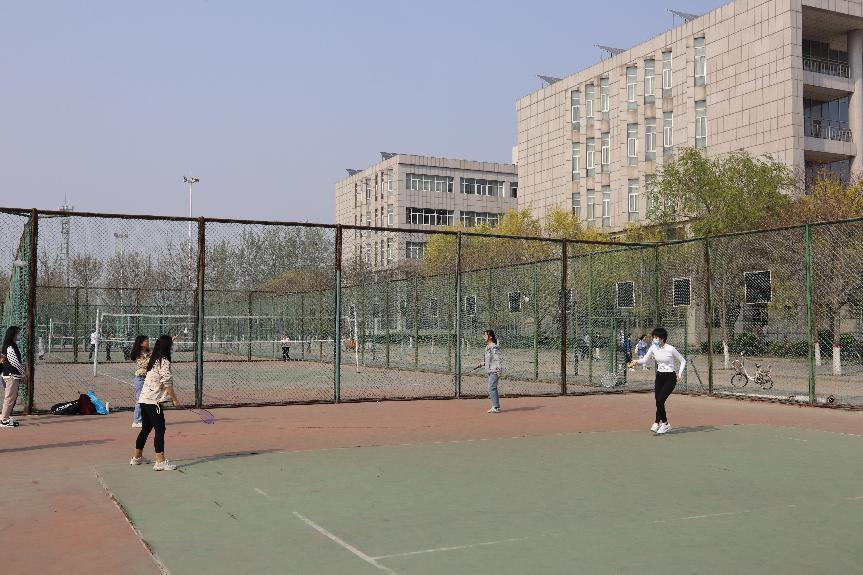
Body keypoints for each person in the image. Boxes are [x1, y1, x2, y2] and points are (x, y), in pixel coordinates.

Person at [131, 335, 181, 470]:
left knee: (146, 429)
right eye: (170, 345)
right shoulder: (163, 361)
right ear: (167, 347)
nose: (172, 347)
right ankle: (160, 461)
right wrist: (175, 400)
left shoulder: (154, 359)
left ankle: (137, 457)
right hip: (153, 402)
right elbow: (167, 382)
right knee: (160, 429)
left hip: (144, 400)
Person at [628, 327, 686, 435]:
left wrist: (680, 374)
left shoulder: (671, 349)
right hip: (659, 376)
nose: (654, 339)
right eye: (653, 337)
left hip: (670, 377)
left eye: (656, 337)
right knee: (658, 400)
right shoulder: (653, 347)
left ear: (662, 338)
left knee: (660, 400)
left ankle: (657, 422)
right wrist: (635, 361)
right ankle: (665, 423)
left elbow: (683, 361)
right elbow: (644, 360)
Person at [1, 326, 25, 428]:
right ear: (12, 334)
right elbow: (14, 362)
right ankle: (4, 420)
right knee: (9, 398)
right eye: (17, 333)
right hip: (11, 376)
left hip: (12, 375)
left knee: (11, 397)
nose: (19, 335)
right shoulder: (10, 346)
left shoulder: (11, 345)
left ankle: (6, 417)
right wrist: (23, 372)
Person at [475, 329, 502, 413]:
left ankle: (496, 407)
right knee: (492, 388)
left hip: (494, 371)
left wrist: (498, 371)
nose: (484, 337)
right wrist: (481, 364)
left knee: (491, 388)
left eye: (485, 335)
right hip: (490, 371)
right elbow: (488, 360)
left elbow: (497, 359)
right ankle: (496, 406)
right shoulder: (487, 347)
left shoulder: (494, 347)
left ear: (490, 337)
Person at [129, 335, 151, 428]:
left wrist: (170, 342)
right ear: (141, 343)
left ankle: (145, 419)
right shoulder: (138, 354)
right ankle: (136, 421)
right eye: (146, 341)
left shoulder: (149, 352)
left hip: (149, 378)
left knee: (149, 400)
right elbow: (144, 364)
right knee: (140, 400)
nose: (148, 342)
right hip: (140, 378)